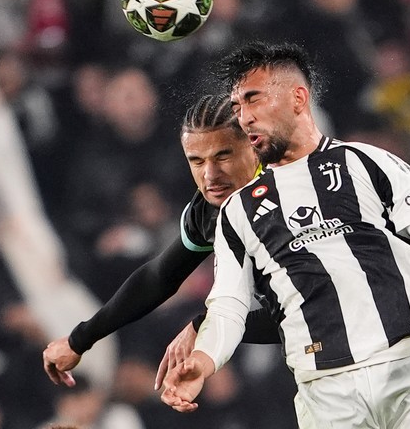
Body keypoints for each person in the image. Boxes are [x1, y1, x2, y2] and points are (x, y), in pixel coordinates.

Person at [160, 41, 410, 428]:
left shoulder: (369, 163)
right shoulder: (239, 210)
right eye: (237, 107)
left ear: (298, 98)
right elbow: (228, 306)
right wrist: (202, 363)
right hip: (326, 394)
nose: (244, 118)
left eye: (253, 100)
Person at [42, 94, 279, 389]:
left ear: (254, 149)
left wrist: (203, 330)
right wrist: (80, 339)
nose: (210, 175)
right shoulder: (209, 212)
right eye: (197, 161)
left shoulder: (290, 195)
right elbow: (159, 277)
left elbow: (309, 306)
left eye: (223, 156)